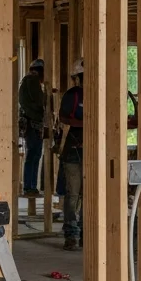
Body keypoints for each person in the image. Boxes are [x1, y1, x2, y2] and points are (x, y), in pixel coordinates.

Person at [57, 60, 84, 251]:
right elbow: (63, 118)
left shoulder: (103, 94)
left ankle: (85, 233)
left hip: (93, 153)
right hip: (73, 151)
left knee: (88, 195)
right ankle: (72, 235)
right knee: (73, 194)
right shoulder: (72, 96)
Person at [19, 58, 46, 198]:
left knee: (33, 154)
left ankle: (31, 187)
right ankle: (30, 187)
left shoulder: (27, 80)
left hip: (31, 121)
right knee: (33, 154)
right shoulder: (32, 80)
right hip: (33, 122)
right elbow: (38, 102)